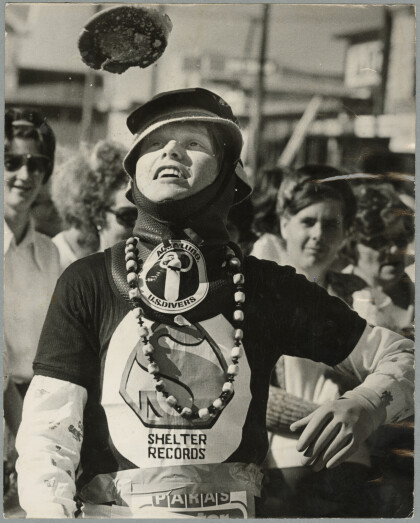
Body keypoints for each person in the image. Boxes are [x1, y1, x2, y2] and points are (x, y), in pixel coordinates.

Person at [16, 88, 414, 519]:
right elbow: (47, 431)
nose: (171, 150)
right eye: (154, 142)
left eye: (193, 142)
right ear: (133, 172)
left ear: (229, 173)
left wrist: (368, 405)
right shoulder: (89, 281)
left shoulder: (264, 286)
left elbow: (404, 356)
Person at [256, 165, 378, 517]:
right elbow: (253, 392)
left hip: (349, 462)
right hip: (283, 463)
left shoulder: (358, 295)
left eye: (330, 224)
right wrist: (337, 420)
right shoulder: (262, 292)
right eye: (308, 222)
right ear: (284, 225)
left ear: (346, 232)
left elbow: (382, 378)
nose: (318, 235)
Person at [4, 108, 60, 511]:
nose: (25, 175)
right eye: (11, 161)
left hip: (36, 413)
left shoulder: (49, 253)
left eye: (36, 164)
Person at [342, 180, 415, 339]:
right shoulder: (334, 300)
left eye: (400, 238)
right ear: (351, 244)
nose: (395, 250)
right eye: (381, 241)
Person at [51, 140, 137, 271]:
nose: (138, 225)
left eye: (144, 213)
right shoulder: (55, 258)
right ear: (97, 214)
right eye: (128, 216)